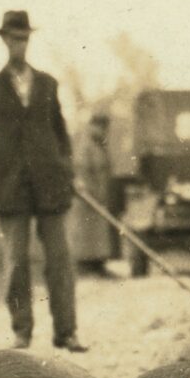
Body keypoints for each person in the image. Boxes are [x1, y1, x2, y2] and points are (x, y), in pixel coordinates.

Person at [0, 9, 85, 352]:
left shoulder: (48, 84)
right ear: (4, 41)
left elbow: (61, 134)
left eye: (23, 39)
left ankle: (67, 332)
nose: (18, 45)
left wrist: (67, 171)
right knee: (17, 262)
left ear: (28, 41)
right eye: (12, 38)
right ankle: (22, 331)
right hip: (10, 189)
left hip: (51, 186)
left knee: (60, 260)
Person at [70, 108, 119, 275]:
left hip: (99, 196)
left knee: (98, 233)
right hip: (87, 198)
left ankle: (98, 264)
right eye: (101, 127)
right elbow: (82, 171)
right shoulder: (86, 145)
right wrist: (92, 193)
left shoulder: (100, 145)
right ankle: (85, 266)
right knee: (86, 233)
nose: (104, 131)